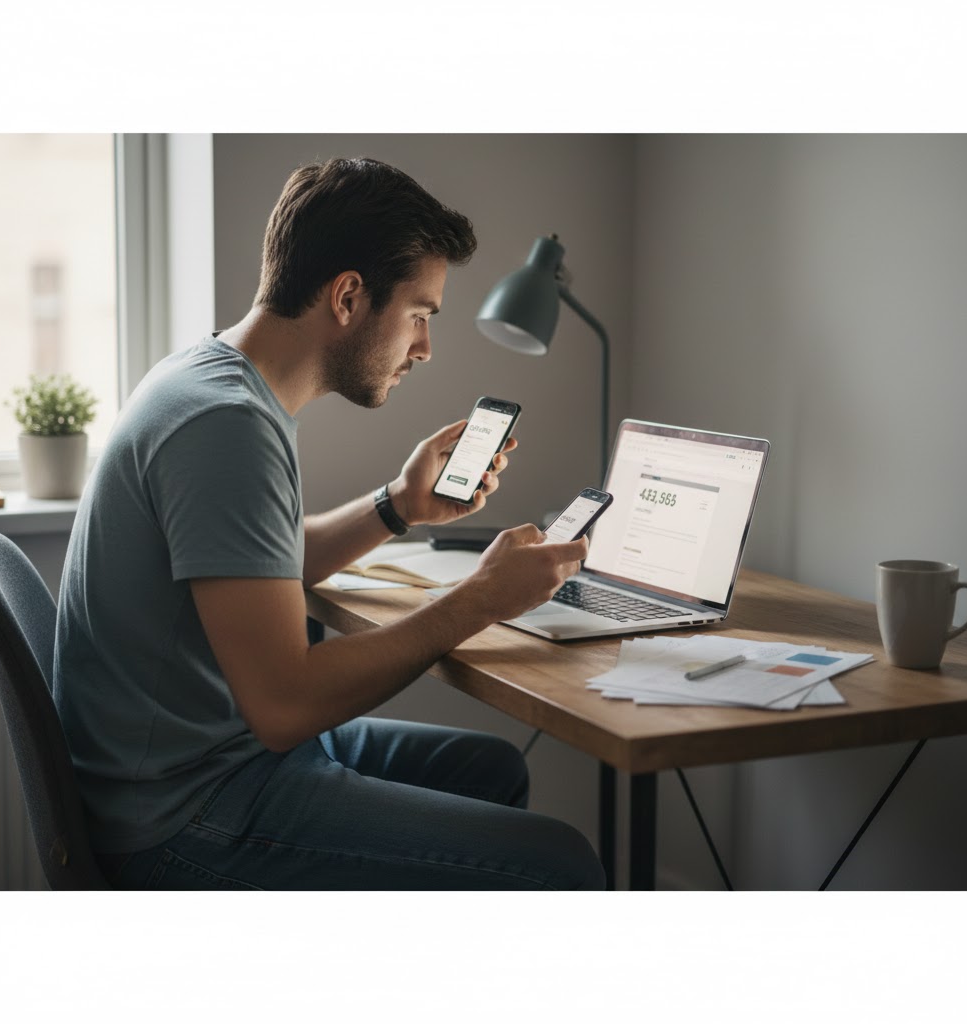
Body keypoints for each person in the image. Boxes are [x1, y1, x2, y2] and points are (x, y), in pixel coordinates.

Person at [54, 156, 605, 890]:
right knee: (560, 862)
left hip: (200, 761)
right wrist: (480, 599)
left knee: (489, 767)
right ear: (348, 297)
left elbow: (257, 565)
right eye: (419, 315)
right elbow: (286, 706)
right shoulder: (226, 426)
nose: (425, 348)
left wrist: (398, 505)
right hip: (184, 815)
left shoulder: (209, 378)